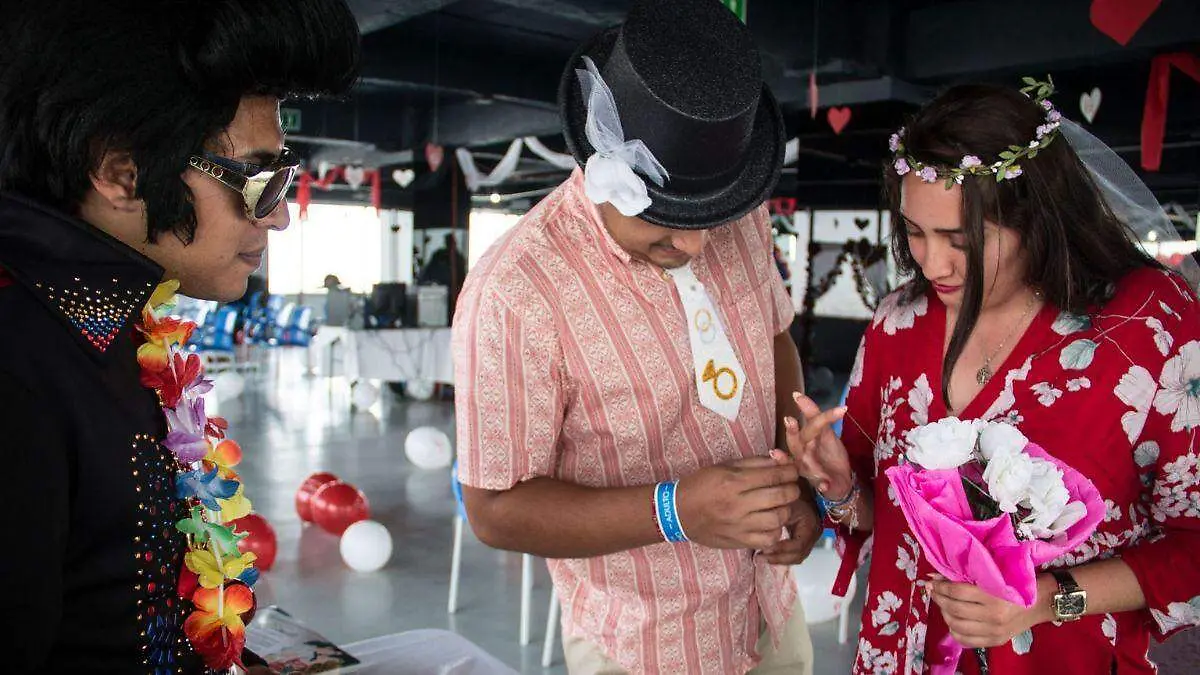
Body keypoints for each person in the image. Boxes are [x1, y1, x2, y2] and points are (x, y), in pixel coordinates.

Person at [453, 1, 820, 673]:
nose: (697, 241)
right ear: (600, 167)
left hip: (769, 606)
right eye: (667, 219)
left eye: (713, 213)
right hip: (642, 644)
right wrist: (674, 510)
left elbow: (775, 342)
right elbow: (495, 508)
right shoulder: (517, 291)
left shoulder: (738, 215)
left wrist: (797, 486)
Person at [785, 79, 1200, 673]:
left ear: (1041, 216)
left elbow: (1194, 542)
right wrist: (841, 488)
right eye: (915, 232)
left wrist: (1046, 600)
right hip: (900, 653)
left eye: (961, 239)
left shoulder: (1147, 327)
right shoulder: (899, 321)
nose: (931, 263)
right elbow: (888, 519)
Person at [0, 1, 359, 671]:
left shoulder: (113, 325)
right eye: (257, 181)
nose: (278, 218)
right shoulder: (20, 365)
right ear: (120, 173)